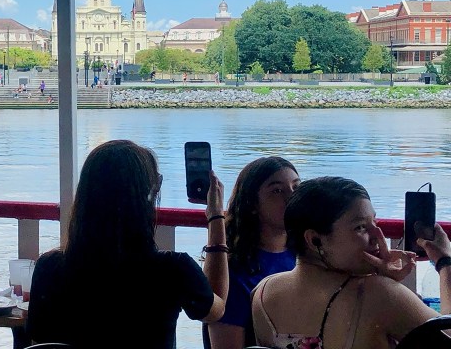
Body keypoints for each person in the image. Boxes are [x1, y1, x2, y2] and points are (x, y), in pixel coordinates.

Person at [26, 139, 229, 349]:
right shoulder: (173, 269)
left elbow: (39, 342)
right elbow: (216, 310)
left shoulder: (49, 268)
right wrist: (216, 218)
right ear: (148, 195)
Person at [251, 176, 451, 349]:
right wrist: (444, 262)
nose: (377, 236)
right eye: (360, 228)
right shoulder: (379, 295)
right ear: (314, 240)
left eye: (375, 223)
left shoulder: (262, 291)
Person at [205, 156, 300, 349]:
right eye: (277, 191)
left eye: (296, 188)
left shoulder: (306, 257)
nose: (292, 197)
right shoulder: (234, 272)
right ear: (253, 205)